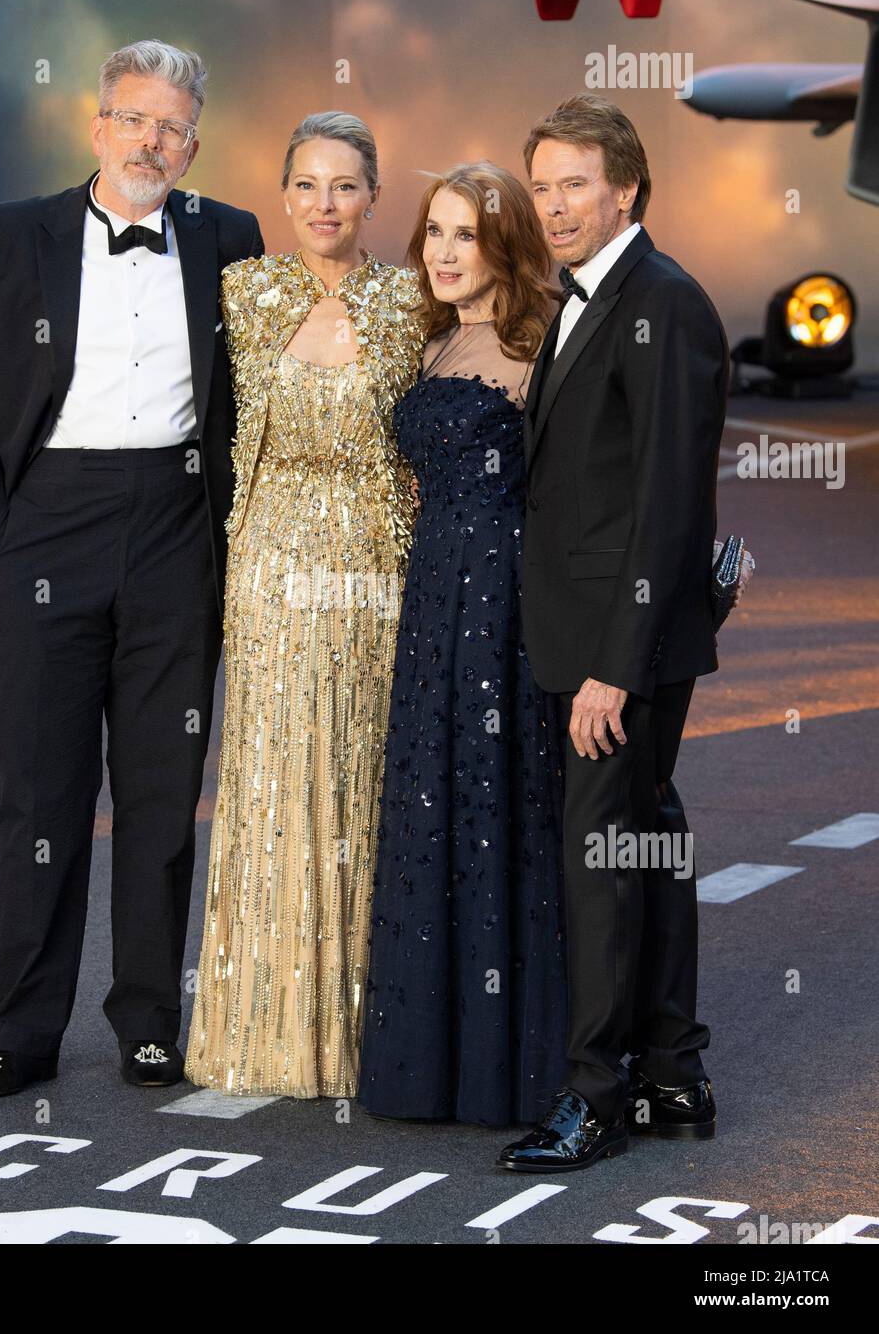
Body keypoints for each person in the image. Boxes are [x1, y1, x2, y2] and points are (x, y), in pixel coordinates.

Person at [0, 40, 263, 1099]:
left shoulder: (232, 239)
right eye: (133, 119)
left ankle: (149, 1024)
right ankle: (20, 1031)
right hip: (46, 531)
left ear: (193, 144)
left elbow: (254, 398)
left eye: (171, 127)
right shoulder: (9, 236)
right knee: (39, 794)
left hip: (176, 528)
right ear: (96, 126)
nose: (150, 141)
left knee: (164, 793)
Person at [498, 93, 730, 1172]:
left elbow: (666, 504)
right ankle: (671, 1071)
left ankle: (594, 1097)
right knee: (641, 836)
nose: (553, 206)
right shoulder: (591, 294)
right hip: (595, 636)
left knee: (600, 858)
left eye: (573, 185)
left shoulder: (663, 301)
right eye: (541, 187)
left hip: (616, 652)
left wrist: (611, 672)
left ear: (625, 187)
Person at [184, 112, 426, 1098]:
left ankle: (372, 1029)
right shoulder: (243, 290)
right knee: (275, 793)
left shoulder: (415, 302)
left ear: (374, 196)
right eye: (308, 186)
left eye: (345, 185)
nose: (325, 204)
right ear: (283, 198)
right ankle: (266, 1031)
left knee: (365, 788)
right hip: (271, 575)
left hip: (376, 573)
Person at [357, 163, 570, 1127]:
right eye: (432, 233)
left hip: (504, 603)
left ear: (505, 244)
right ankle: (428, 1063)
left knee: (498, 798)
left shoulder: (543, 343)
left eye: (464, 236)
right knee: (434, 796)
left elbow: (576, 491)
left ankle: (510, 1065)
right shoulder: (437, 345)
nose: (442, 254)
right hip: (432, 592)